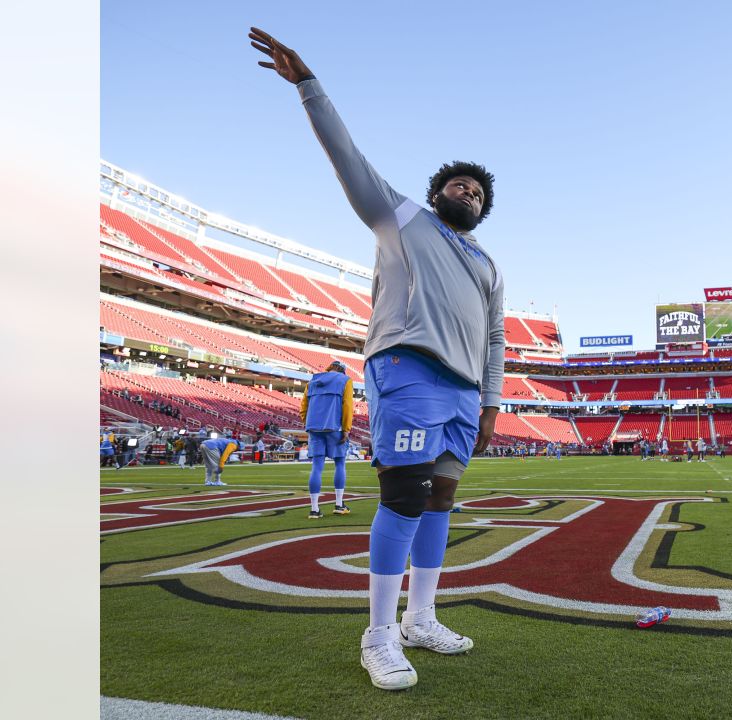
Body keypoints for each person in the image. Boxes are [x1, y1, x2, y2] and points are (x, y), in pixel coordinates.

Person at [251, 28, 503, 691]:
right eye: (458, 184)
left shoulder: (489, 263)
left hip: (465, 393)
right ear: (437, 190)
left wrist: (493, 402)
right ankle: (378, 634)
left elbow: (495, 339)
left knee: (442, 497)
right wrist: (310, 87)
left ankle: (421, 618)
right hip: (408, 369)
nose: (467, 194)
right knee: (404, 494)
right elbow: (348, 158)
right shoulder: (403, 217)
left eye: (477, 192)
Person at [299, 360, 355, 519]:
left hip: (314, 428)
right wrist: (346, 429)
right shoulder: (346, 381)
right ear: (343, 371)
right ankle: (338, 504)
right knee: (339, 464)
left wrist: (308, 423)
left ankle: (314, 509)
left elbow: (303, 407)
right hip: (335, 427)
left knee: (316, 467)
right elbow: (348, 406)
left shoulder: (312, 381)